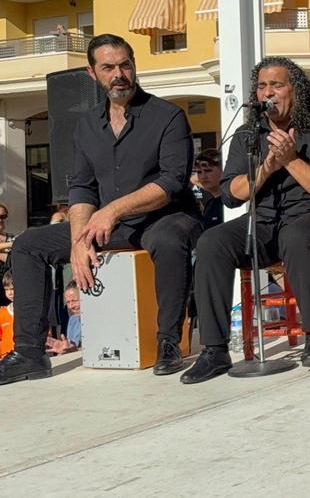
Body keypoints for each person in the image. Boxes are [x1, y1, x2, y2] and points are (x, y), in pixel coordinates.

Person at [0, 34, 203, 386]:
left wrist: (111, 212)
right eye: (108, 67)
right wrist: (80, 239)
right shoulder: (87, 124)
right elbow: (82, 186)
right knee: (28, 245)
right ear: (93, 73)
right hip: (108, 223)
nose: (119, 74)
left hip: (164, 216)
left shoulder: (167, 116)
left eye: (125, 64)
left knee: (169, 239)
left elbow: (171, 182)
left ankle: (169, 341)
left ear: (134, 66)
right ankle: (30, 354)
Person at [181, 56, 310, 384]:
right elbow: (231, 193)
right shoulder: (248, 135)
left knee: (297, 235)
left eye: (277, 84)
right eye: (261, 86)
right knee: (212, 241)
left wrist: (290, 160)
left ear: (295, 90)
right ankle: (215, 350)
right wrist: (266, 169)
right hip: (265, 223)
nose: (268, 92)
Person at [192, 148, 224, 231]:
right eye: (199, 172)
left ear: (223, 169)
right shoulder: (210, 204)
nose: (203, 176)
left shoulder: (231, 202)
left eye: (208, 171)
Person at [46, 282, 81, 355]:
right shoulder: (72, 320)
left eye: (74, 301)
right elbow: (71, 347)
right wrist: (64, 349)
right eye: (68, 302)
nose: (71, 306)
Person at [1, 271, 13, 357]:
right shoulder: (2, 313)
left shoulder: (31, 311)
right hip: (5, 359)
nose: (9, 293)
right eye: (6, 289)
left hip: (25, 360)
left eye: (12, 289)